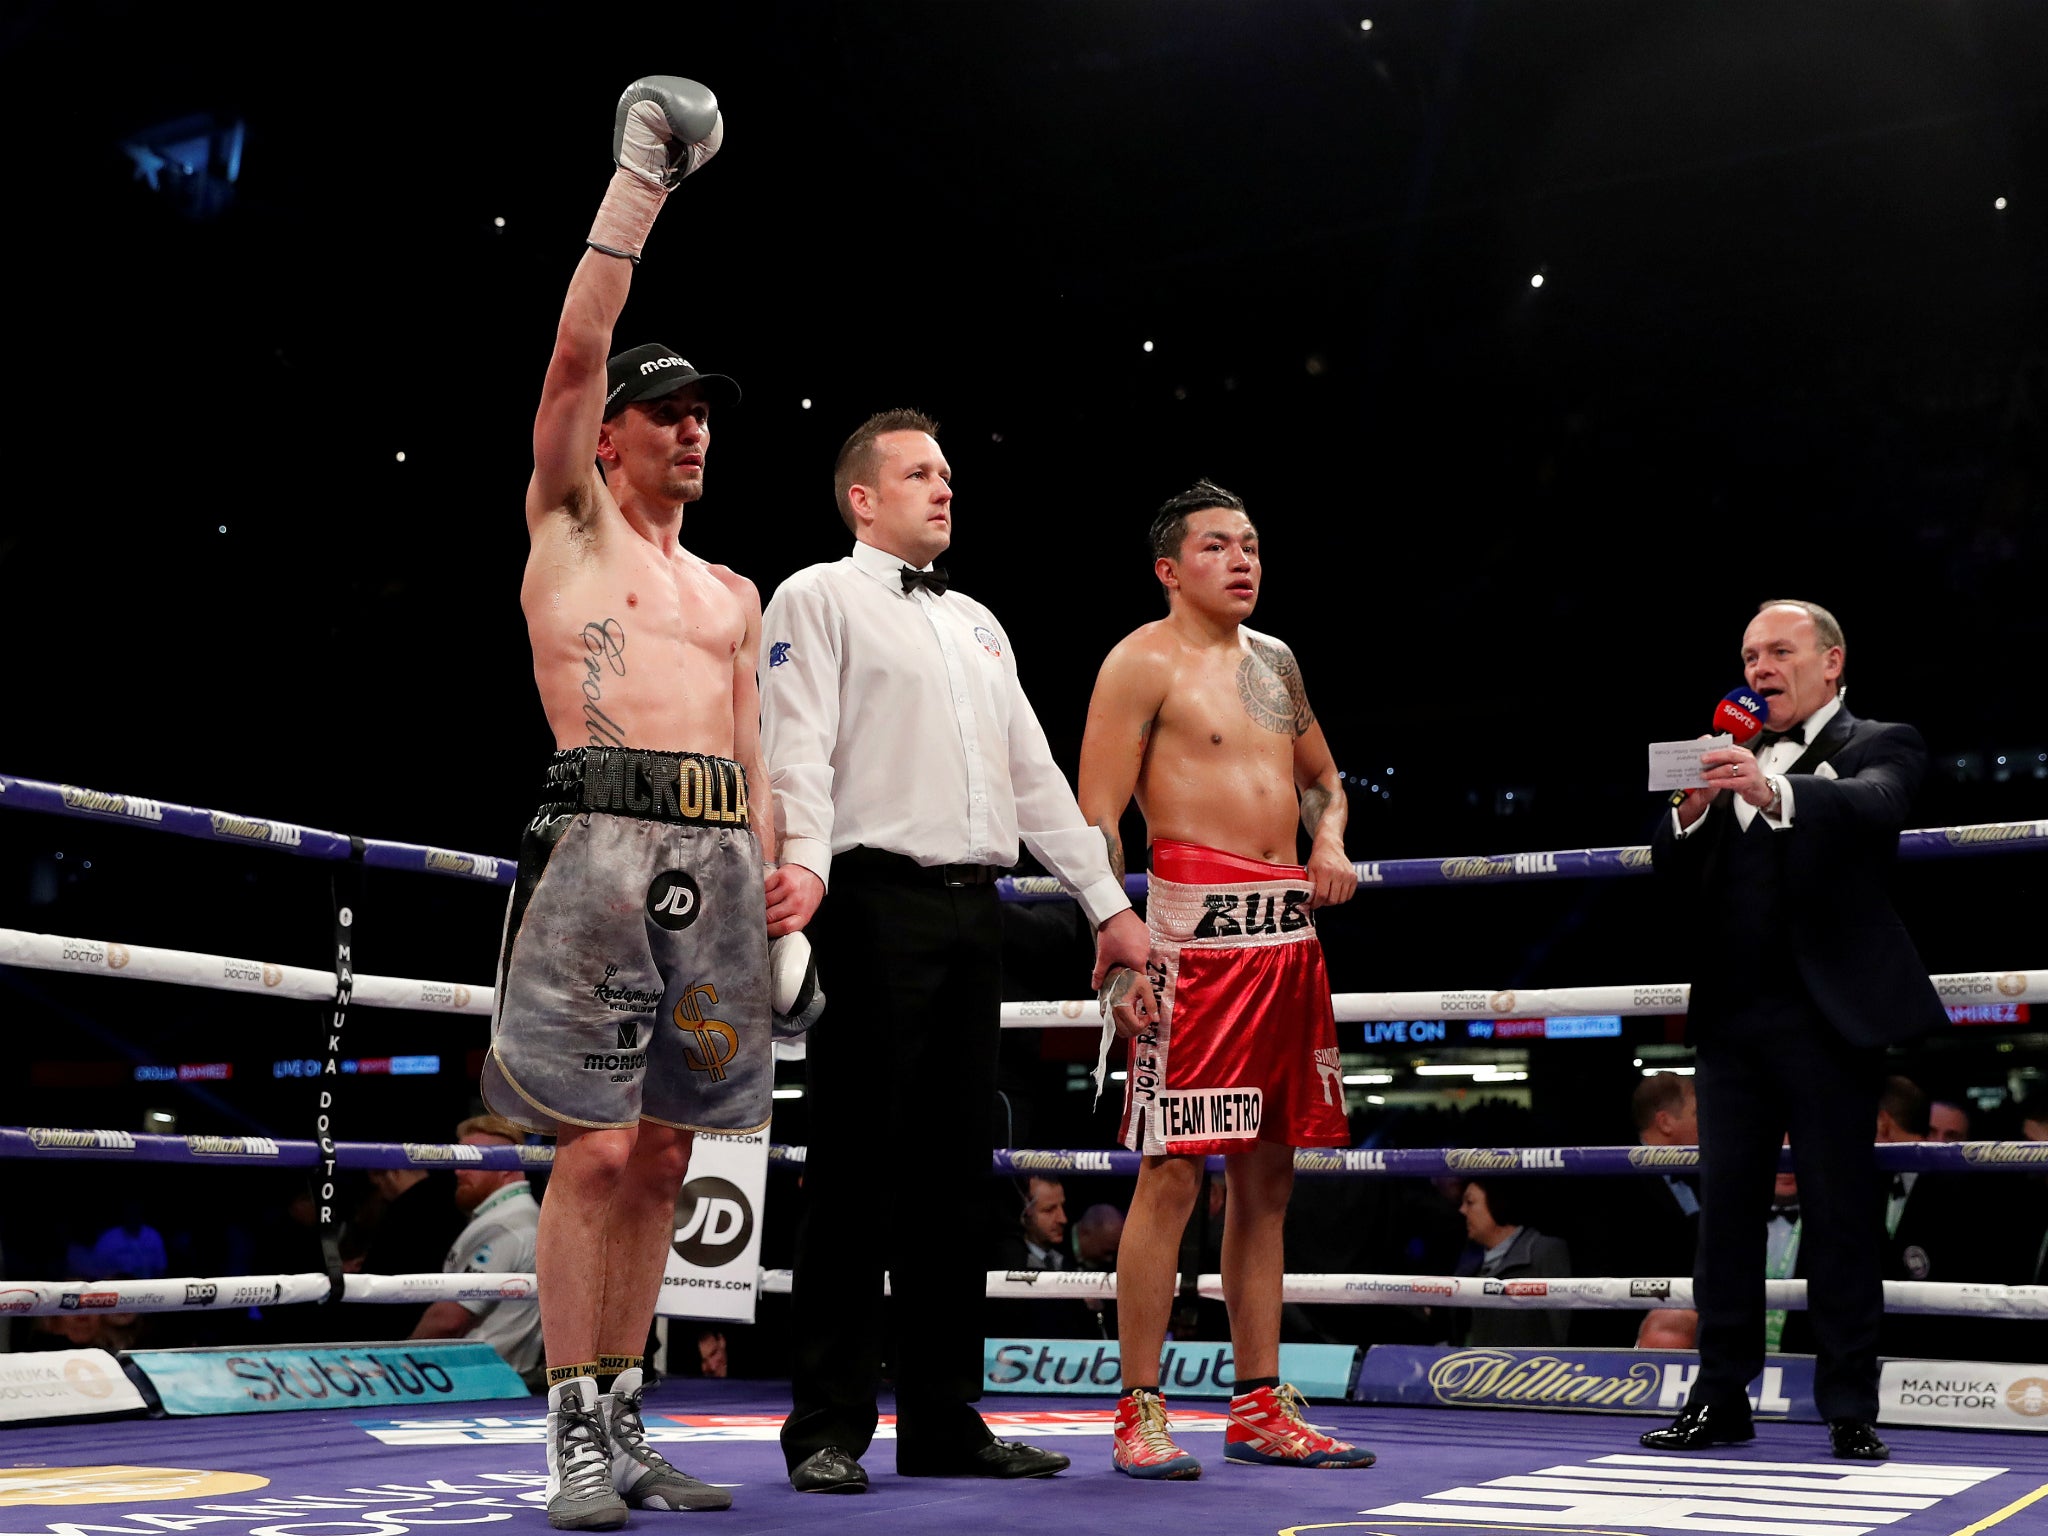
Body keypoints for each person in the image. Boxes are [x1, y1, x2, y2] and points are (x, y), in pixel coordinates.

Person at [759, 408, 1152, 1494]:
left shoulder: (980, 623)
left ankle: (942, 1421)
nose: (944, 489)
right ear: (862, 497)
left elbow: (1032, 776)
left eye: (947, 474)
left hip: (974, 912)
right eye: (920, 473)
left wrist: (1105, 906)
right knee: (852, 1174)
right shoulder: (814, 596)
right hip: (867, 902)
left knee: (952, 1179)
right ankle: (827, 1427)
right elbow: (794, 749)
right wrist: (804, 872)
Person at [479, 75, 769, 1528]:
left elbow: (754, 739)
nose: (688, 432)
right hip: (596, 843)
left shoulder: (733, 588)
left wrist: (784, 884)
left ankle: (627, 1409)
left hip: (716, 861)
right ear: (609, 437)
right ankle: (568, 1437)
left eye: (701, 415)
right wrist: (639, 180)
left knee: (669, 1148)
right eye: (662, 414)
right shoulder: (568, 525)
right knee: (591, 1147)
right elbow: (575, 348)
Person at [1077, 480, 1372, 1481]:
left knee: (1267, 1179)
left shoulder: (1275, 662)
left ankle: (1256, 1404)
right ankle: (1137, 1407)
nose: (1242, 559)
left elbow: (1324, 779)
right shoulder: (1136, 663)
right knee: (1169, 1176)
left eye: (1249, 543)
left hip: (1285, 941)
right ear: (1169, 568)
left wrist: (1327, 838)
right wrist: (1113, 941)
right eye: (1216, 545)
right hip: (1187, 950)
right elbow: (1093, 816)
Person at [1644, 598, 1948, 1463]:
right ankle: (1719, 1398)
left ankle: (1849, 1405)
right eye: (1749, 655)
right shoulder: (1713, 752)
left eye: (1780, 651)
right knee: (1726, 1218)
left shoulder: (1880, 741)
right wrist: (1693, 806)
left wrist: (1770, 786)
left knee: (1840, 1214)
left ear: (1832, 664)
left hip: (1827, 1019)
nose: (1760, 669)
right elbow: (1671, 870)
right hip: (1733, 1018)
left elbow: (1875, 809)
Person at [411, 1116, 544, 1388]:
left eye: (472, 1160)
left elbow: (449, 1319)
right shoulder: (515, 1216)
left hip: (478, 1384)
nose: (459, 1171)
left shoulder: (507, 1226)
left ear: (506, 1167)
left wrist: (399, 1364)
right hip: (489, 1380)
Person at [1450, 1178, 1571, 1346]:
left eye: (1470, 1202)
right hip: (1477, 1368)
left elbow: (1561, 1332)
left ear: (1496, 1202)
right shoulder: (1468, 1261)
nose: (1462, 1210)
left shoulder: (1544, 1252)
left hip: (1532, 1369)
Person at [995, 1177, 1071, 1271]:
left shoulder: (1066, 1260)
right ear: (1024, 1213)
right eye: (1049, 1210)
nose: (1063, 1219)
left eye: (1062, 1207)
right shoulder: (1009, 1264)